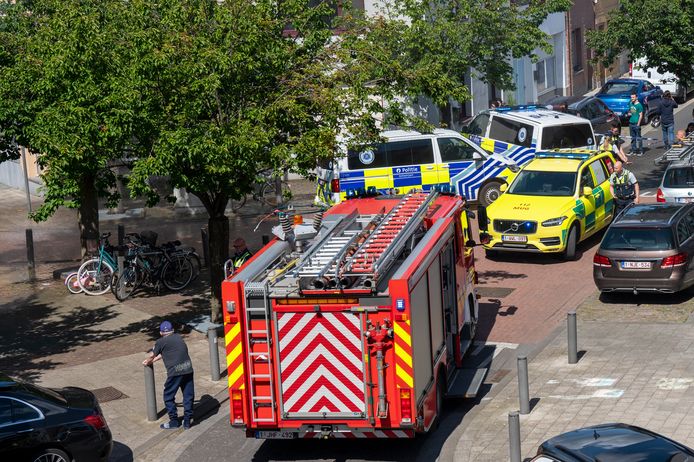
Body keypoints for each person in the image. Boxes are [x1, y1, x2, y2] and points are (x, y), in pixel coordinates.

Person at [142, 321, 194, 430]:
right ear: (173, 330)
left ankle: (174, 421)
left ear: (161, 333)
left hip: (175, 372)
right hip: (188, 369)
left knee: (168, 396)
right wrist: (155, 360)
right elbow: (166, 351)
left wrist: (148, 361)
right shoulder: (178, 337)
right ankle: (187, 421)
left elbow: (152, 355)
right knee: (188, 395)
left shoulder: (160, 341)